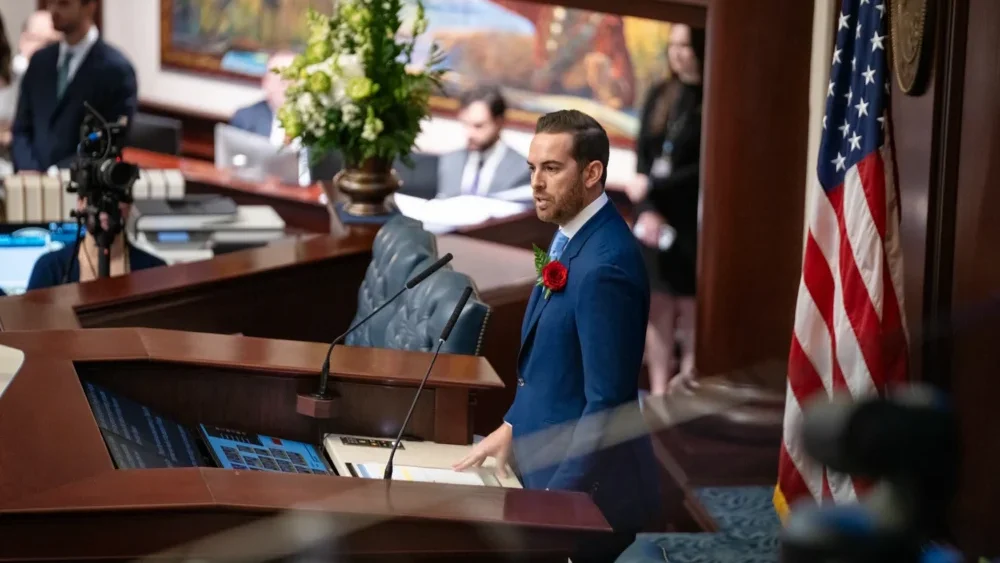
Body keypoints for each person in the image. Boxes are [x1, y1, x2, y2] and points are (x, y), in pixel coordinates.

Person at [453, 110, 660, 562]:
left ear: (592, 173)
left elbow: (607, 404)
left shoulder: (605, 266)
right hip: (542, 462)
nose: (536, 183)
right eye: (532, 168)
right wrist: (512, 426)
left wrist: (555, 503)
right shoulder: (572, 235)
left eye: (551, 168)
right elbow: (553, 367)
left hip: (585, 497)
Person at [624, 23, 705, 396]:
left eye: (684, 46)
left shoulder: (712, 97)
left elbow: (704, 167)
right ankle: (658, 391)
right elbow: (643, 157)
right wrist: (646, 207)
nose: (677, 53)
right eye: (672, 45)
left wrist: (655, 187)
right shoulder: (661, 93)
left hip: (692, 217)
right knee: (658, 304)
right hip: (655, 215)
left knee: (689, 305)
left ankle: (688, 383)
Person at [11, 0, 137, 173]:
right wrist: (28, 169)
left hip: (80, 181)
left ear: (89, 7)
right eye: (51, 2)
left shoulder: (116, 70)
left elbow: (108, 140)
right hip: (30, 179)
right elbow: (21, 128)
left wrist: (55, 174)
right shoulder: (40, 61)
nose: (54, 10)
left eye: (64, 3)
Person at [230, 51, 338, 186]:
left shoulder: (322, 123)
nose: (289, 88)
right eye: (283, 82)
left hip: (306, 194)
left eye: (295, 81)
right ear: (266, 83)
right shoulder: (246, 118)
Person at [26, 197, 165, 291]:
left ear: (129, 205)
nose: (105, 208)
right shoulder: (49, 269)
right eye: (96, 197)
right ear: (80, 204)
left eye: (114, 197)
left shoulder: (155, 272)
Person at [435, 85, 530, 198]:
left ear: (499, 123)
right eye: (466, 124)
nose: (469, 134)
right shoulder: (449, 161)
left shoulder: (522, 169)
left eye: (478, 126)